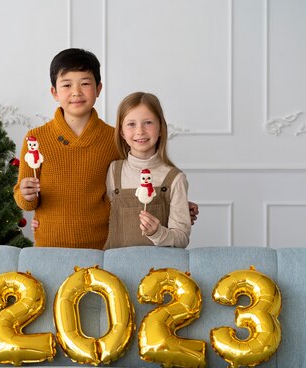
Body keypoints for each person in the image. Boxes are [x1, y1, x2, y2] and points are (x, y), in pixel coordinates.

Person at [13, 48, 198, 249]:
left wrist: (173, 206)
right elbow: (25, 201)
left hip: (104, 248)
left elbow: (136, 178)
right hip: (49, 247)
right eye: (67, 85)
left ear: (99, 88)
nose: (76, 92)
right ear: (54, 93)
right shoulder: (36, 139)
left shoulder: (115, 138)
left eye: (85, 83)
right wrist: (26, 195)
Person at [104, 92, 190, 248]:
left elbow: (181, 238)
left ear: (161, 128)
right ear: (122, 132)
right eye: (131, 124)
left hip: (160, 269)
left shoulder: (174, 179)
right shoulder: (113, 171)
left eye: (148, 123)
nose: (140, 131)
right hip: (116, 268)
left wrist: (157, 233)